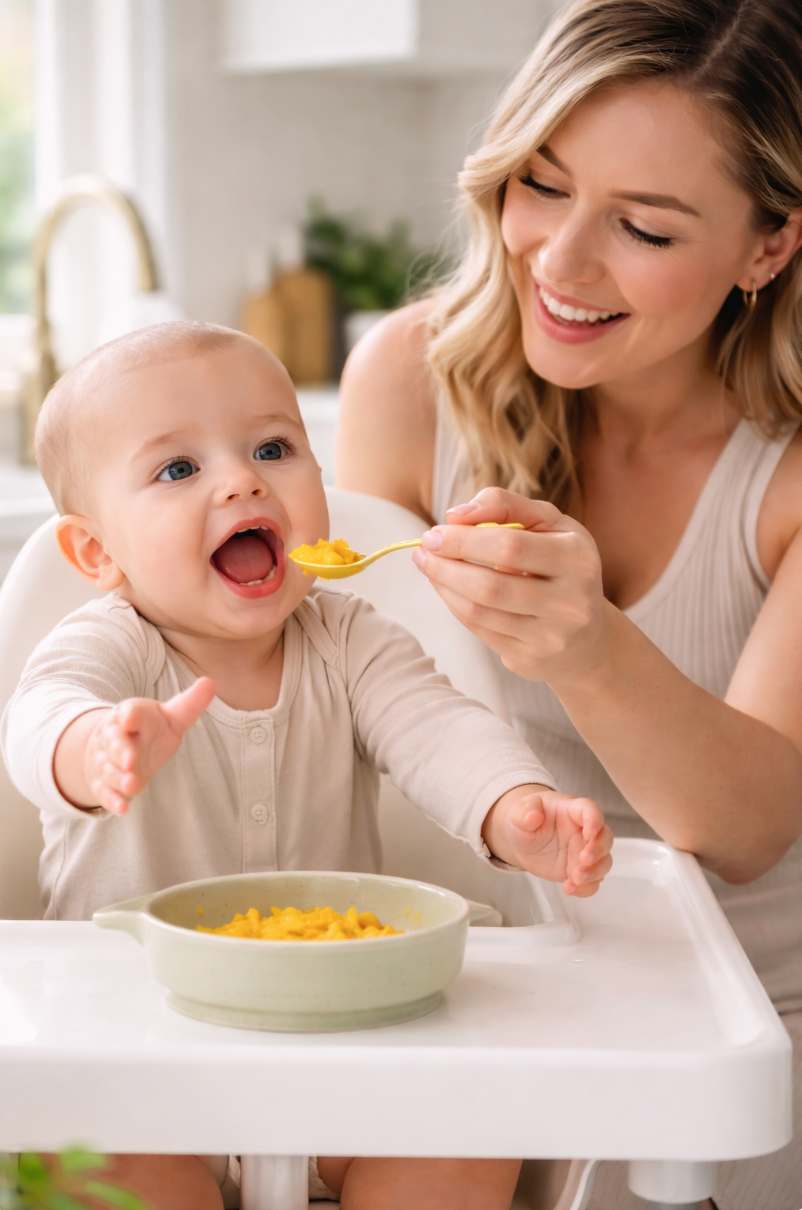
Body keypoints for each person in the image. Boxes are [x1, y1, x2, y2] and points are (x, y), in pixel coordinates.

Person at [336, 1, 802, 1208]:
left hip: (738, 1034)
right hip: (481, 997)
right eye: (540, 183)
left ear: (769, 249)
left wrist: (589, 645)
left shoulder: (786, 476)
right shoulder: (408, 379)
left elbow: (747, 827)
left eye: (642, 227)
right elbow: (338, 692)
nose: (557, 259)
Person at [0, 320, 612, 1210]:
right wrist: (91, 748)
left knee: (468, 1143)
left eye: (273, 447)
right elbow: (36, 720)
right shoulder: (106, 649)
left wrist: (516, 808)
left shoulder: (352, 637)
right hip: (134, 1054)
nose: (242, 478)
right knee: (71, 1159)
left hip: (345, 1044)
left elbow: (438, 728)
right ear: (96, 552)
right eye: (178, 470)